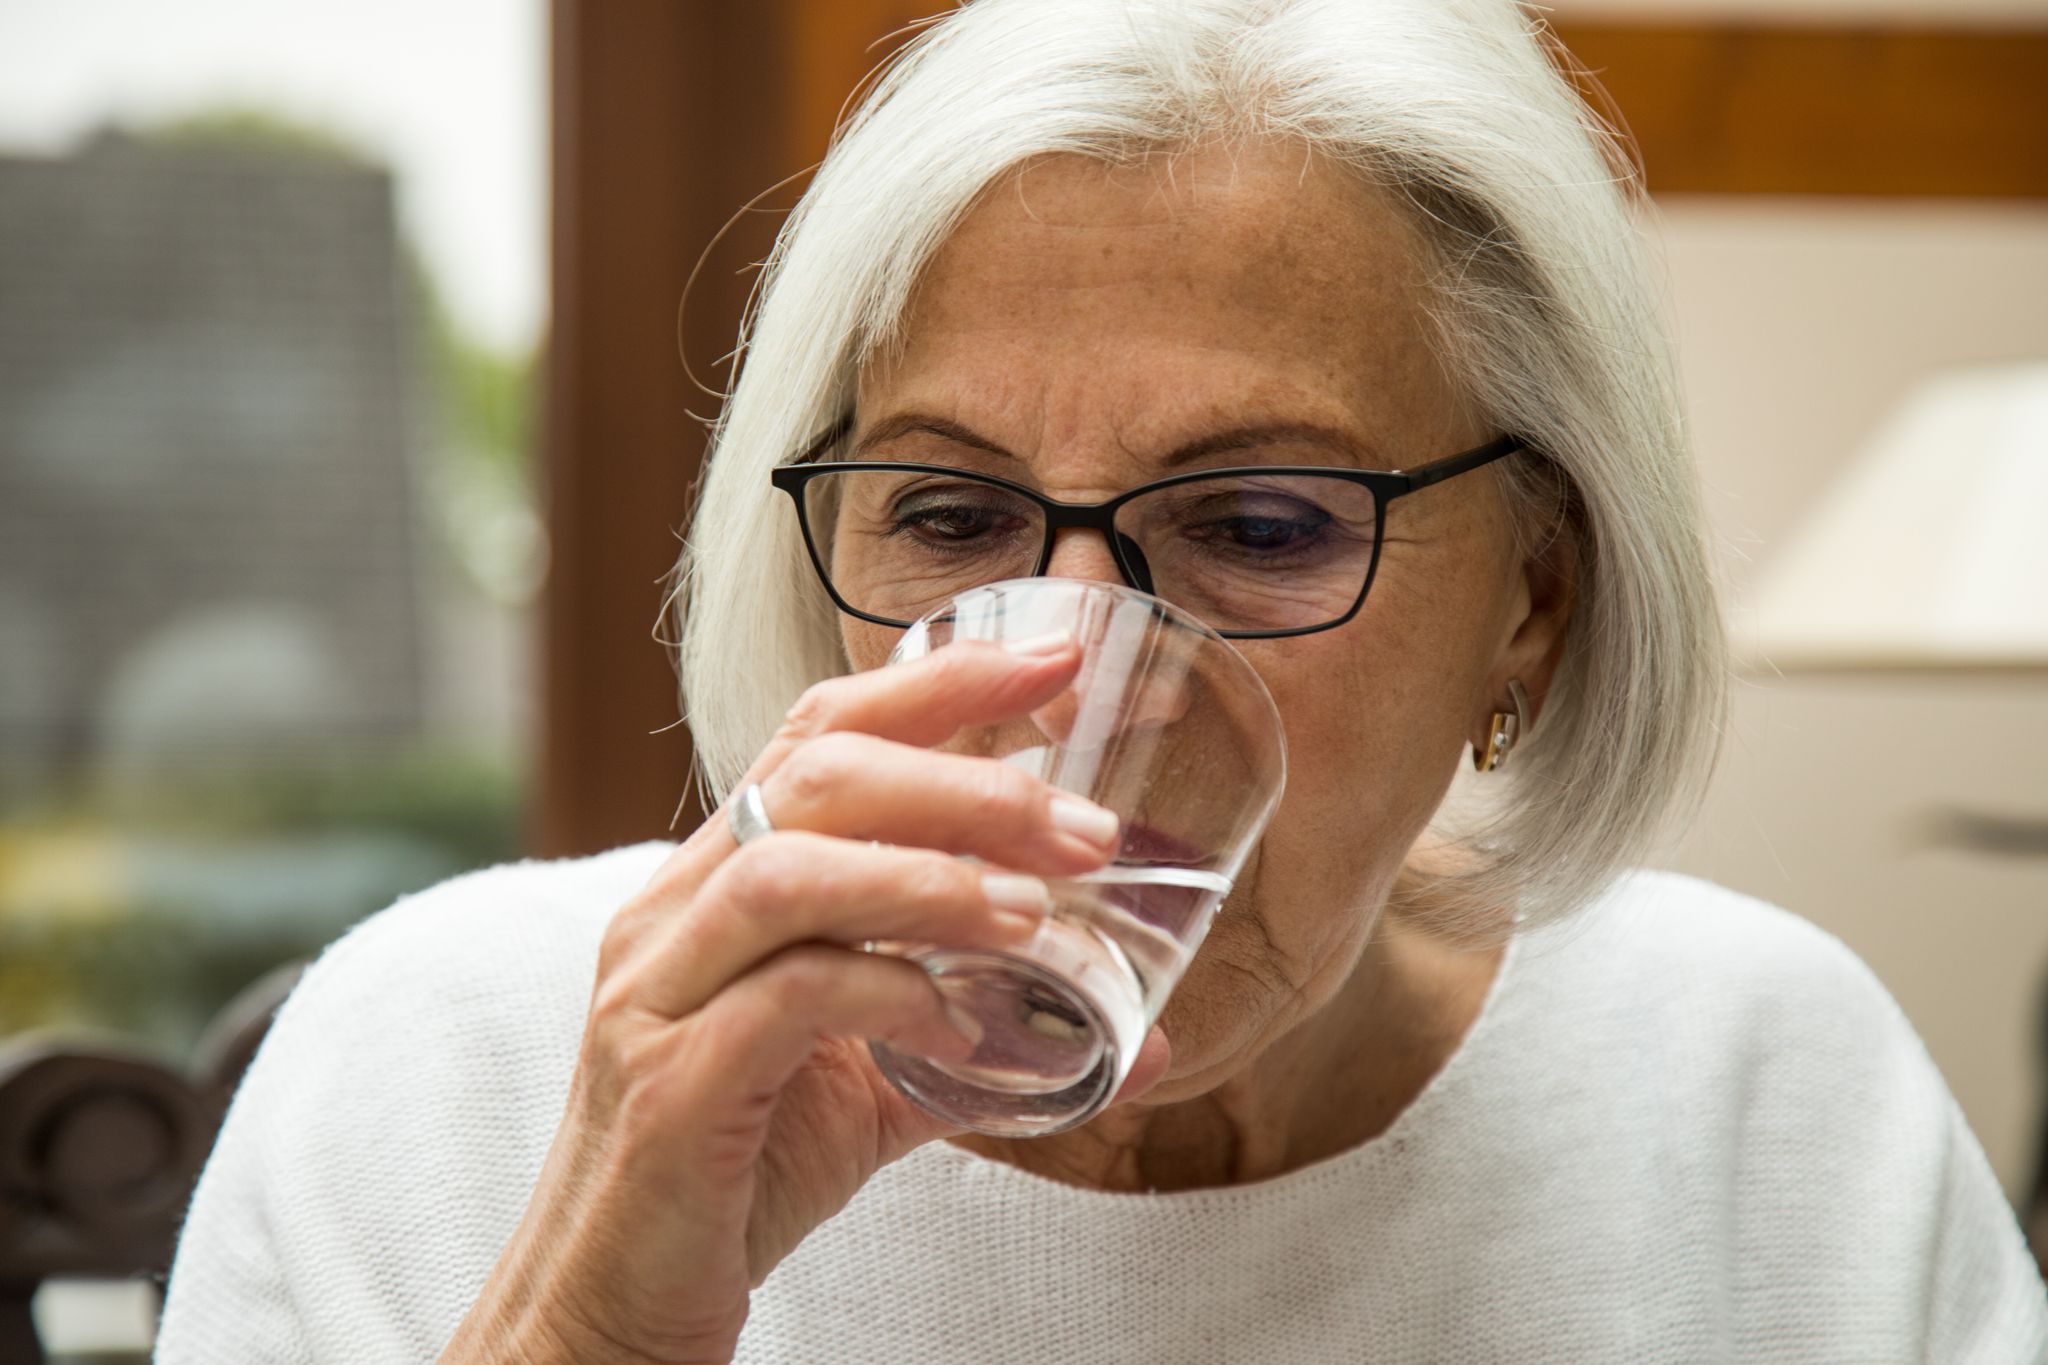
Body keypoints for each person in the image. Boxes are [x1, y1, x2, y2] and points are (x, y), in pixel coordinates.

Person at [155, 0, 2048, 1360]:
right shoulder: (439, 1061)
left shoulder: (1762, 1087)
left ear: (1534, 600)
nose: (1071, 664)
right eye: (953, 516)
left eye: (1265, 521)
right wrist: (587, 1332)